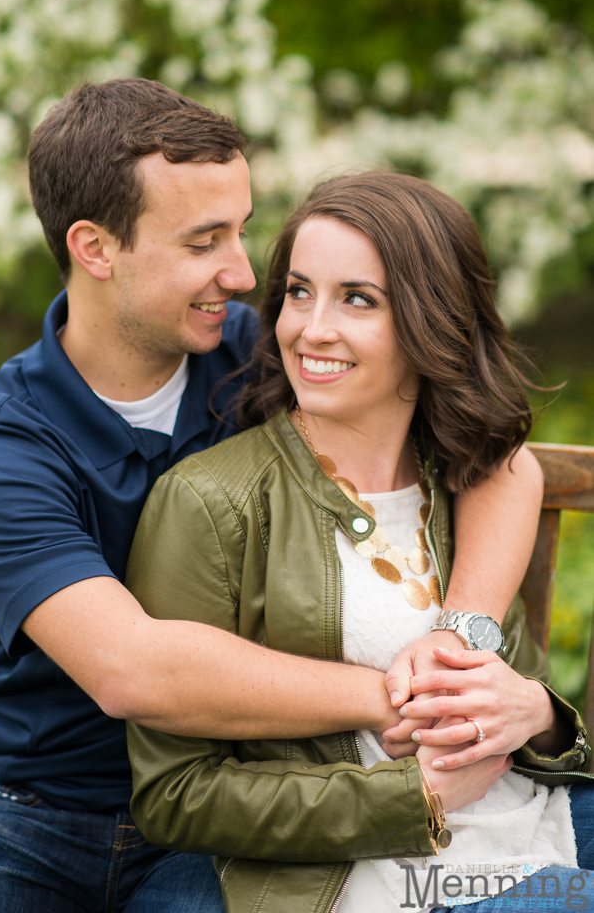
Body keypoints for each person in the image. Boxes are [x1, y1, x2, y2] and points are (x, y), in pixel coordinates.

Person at [0, 80, 548, 913]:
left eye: (243, 231)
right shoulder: (0, 446)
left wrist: (458, 639)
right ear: (95, 247)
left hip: (252, 787)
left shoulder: (268, 354)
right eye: (204, 241)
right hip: (47, 808)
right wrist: (405, 695)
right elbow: (131, 671)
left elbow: (500, 460)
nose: (244, 271)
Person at [125, 171, 594, 913]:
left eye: (357, 299)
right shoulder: (210, 502)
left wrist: (536, 714)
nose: (310, 329)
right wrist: (412, 798)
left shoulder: (467, 480)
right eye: (299, 292)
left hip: (538, 820)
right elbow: (174, 795)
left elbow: (513, 693)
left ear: (432, 320)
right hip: (373, 874)